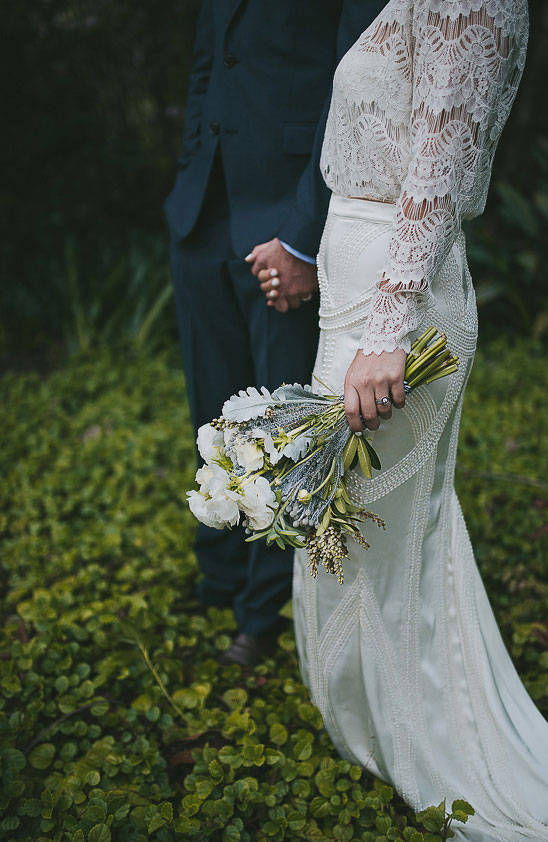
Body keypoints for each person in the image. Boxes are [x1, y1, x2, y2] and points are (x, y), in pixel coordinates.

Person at [262, 1, 548, 842]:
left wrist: (388, 330)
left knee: (388, 531)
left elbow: (437, 162)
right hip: (355, 278)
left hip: (393, 299)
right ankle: (372, 726)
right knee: (352, 525)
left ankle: (434, 753)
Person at [165, 0, 384, 666]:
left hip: (286, 208)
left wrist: (303, 235)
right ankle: (221, 572)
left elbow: (356, 82)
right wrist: (190, 168)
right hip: (204, 206)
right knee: (210, 400)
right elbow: (211, 61)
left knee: (277, 417)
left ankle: (263, 610)